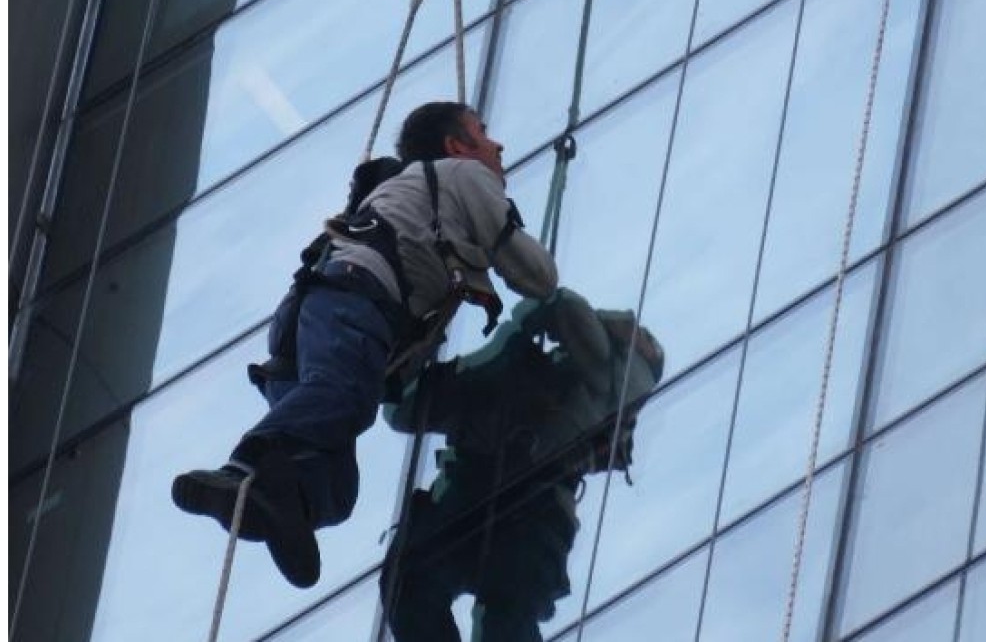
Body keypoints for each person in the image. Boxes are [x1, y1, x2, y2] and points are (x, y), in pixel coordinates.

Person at [171, 102, 558, 588]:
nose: (498, 145)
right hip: (354, 299)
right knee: (345, 398)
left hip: (307, 318)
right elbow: (536, 275)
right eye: (484, 133)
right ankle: (244, 469)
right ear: (457, 146)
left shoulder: (404, 195)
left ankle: (280, 505)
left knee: (336, 483)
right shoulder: (463, 174)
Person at [380, 288, 664, 642]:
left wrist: (510, 339)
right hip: (530, 512)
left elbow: (560, 304)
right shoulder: (584, 392)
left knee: (412, 585)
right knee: (503, 618)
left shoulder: (606, 366)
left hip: (481, 493)